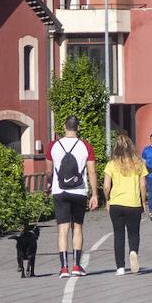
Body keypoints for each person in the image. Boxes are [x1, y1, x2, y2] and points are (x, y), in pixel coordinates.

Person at [48, 115, 99, 278]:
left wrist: (49, 183)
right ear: (78, 127)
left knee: (62, 229)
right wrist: (94, 194)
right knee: (77, 227)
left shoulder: (53, 146)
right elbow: (91, 171)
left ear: (64, 127)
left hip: (59, 191)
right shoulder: (86, 146)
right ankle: (77, 266)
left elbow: (48, 171)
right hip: (79, 191)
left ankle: (64, 268)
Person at [102, 135, 148, 275]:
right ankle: (133, 251)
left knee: (118, 234)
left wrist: (108, 199)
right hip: (133, 203)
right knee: (134, 233)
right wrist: (143, 201)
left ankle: (120, 267)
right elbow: (143, 184)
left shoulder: (111, 164)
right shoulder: (139, 163)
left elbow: (105, 186)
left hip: (116, 203)